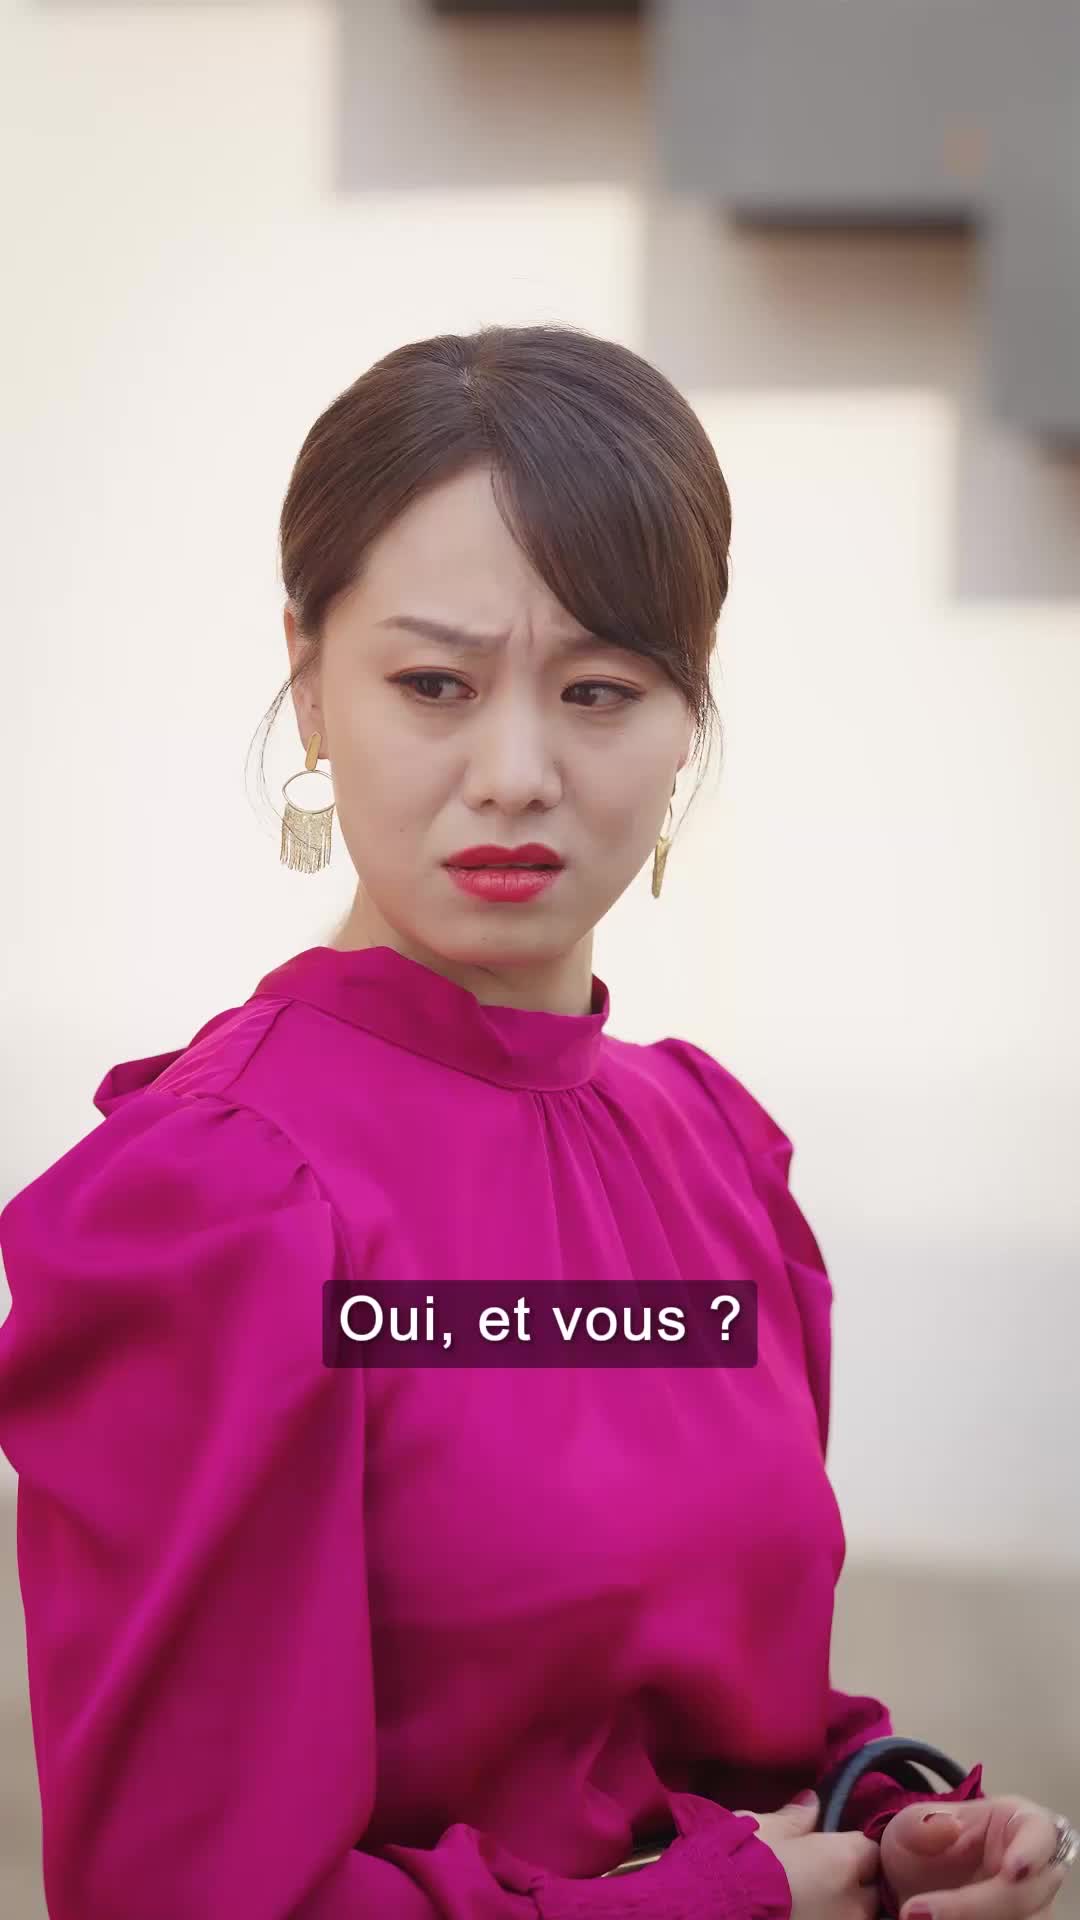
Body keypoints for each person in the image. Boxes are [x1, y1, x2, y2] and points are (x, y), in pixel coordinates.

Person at [0, 326, 1074, 1920]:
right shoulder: (217, 1204)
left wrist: (884, 1812)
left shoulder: (715, 1154)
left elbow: (718, 1715)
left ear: (687, 714)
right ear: (308, 679)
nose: (515, 773)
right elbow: (189, 1893)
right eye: (433, 684)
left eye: (599, 692)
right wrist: (720, 1901)